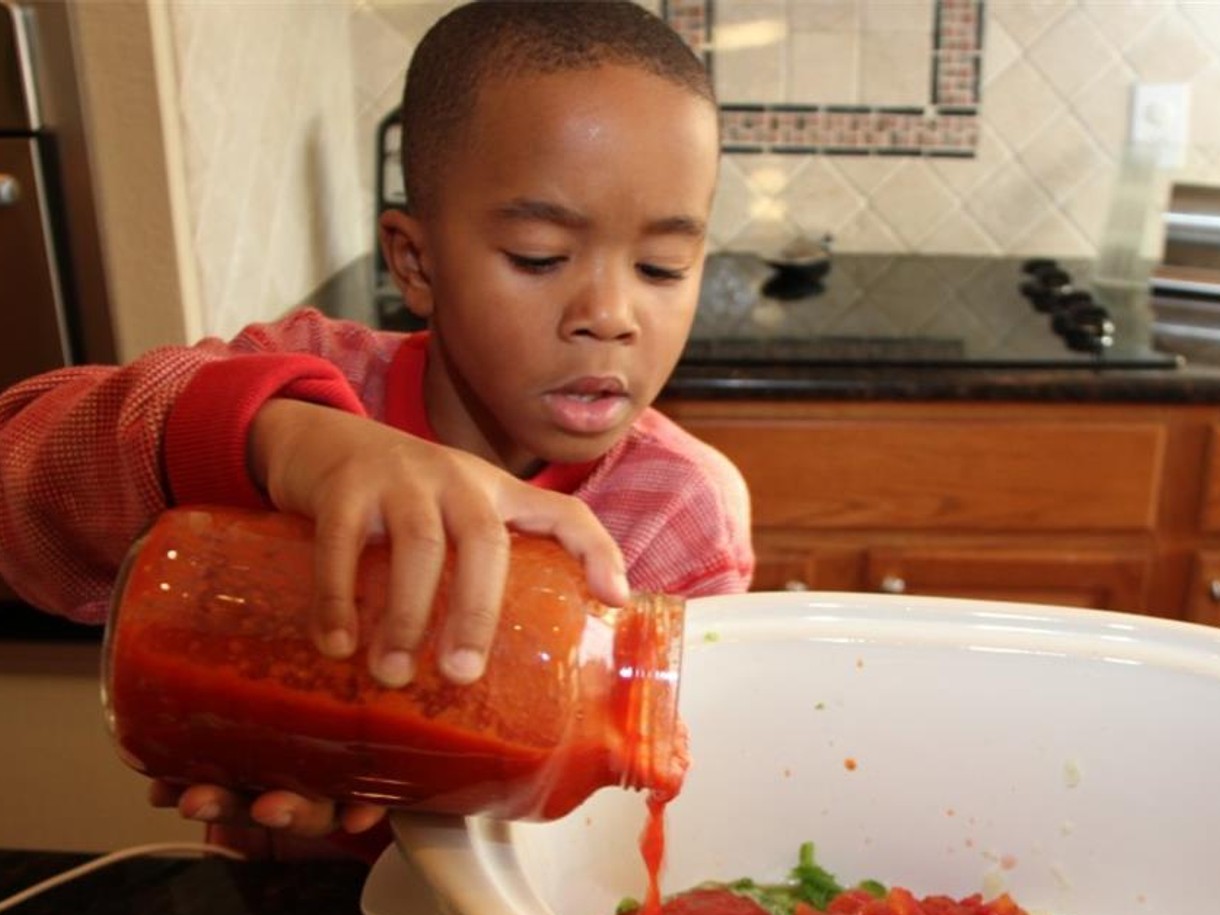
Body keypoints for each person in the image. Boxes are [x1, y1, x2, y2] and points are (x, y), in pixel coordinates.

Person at [0, 0, 752, 855]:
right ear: (416, 262)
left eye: (662, 268)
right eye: (540, 256)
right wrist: (277, 442)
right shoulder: (310, 392)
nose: (610, 314)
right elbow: (16, 478)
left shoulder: (674, 514)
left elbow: (643, 825)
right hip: (291, 914)